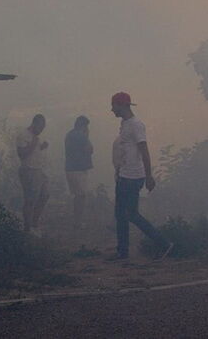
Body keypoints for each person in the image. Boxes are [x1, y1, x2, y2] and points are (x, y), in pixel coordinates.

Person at [109, 92, 173, 261]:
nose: (112, 110)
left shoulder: (136, 125)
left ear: (122, 106)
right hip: (125, 175)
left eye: (114, 106)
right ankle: (123, 252)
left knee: (129, 214)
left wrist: (149, 175)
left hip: (132, 176)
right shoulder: (125, 124)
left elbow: (144, 151)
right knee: (123, 215)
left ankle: (163, 243)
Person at [16, 114, 49, 232]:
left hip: (39, 170)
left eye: (43, 128)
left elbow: (34, 152)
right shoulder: (23, 135)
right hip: (28, 170)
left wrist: (41, 147)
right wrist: (34, 143)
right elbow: (22, 154)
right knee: (30, 199)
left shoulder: (35, 136)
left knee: (45, 195)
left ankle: (34, 223)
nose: (41, 131)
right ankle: (27, 227)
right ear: (34, 124)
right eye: (40, 127)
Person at [64, 115, 94, 228]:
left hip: (71, 169)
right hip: (78, 170)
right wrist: (87, 136)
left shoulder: (70, 134)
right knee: (81, 196)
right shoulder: (80, 136)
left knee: (78, 195)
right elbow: (90, 149)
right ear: (82, 125)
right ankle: (78, 222)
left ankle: (77, 220)